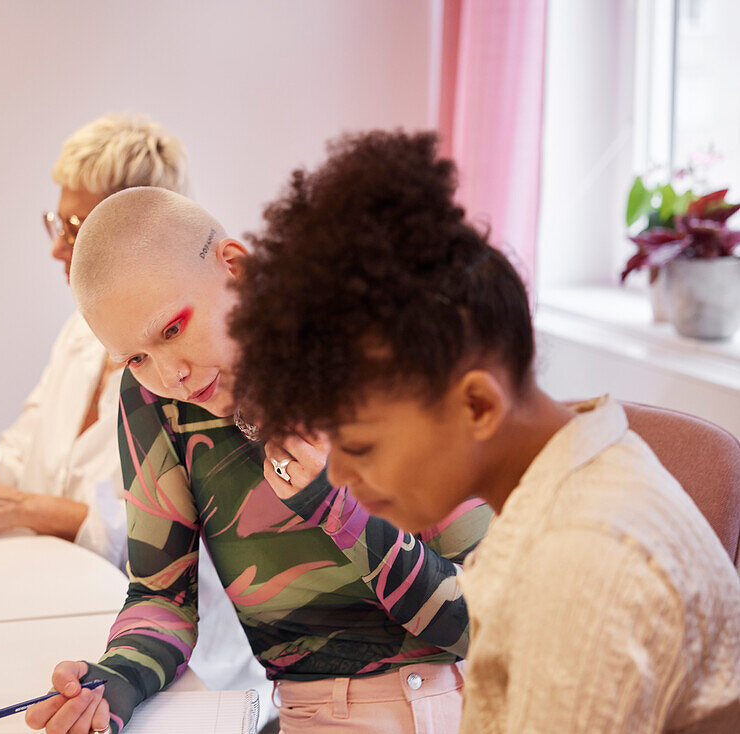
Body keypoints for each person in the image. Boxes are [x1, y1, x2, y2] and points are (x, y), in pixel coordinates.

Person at [226, 130, 740, 732]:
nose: (338, 474)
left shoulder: (580, 567)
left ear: (475, 405)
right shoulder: (551, 494)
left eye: (359, 445)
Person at [25, 186, 492, 734]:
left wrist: (337, 508)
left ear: (235, 268)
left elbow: (487, 624)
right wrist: (118, 681)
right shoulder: (153, 401)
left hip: (460, 703)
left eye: (173, 329)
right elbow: (162, 596)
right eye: (136, 356)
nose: (168, 373)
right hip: (306, 714)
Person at [0, 113, 272, 708]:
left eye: (75, 225)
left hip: (197, 668)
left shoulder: (208, 379)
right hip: (93, 627)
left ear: (136, 226)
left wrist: (30, 508)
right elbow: (26, 453)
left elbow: (171, 551)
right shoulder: (82, 340)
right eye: (58, 220)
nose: (57, 244)